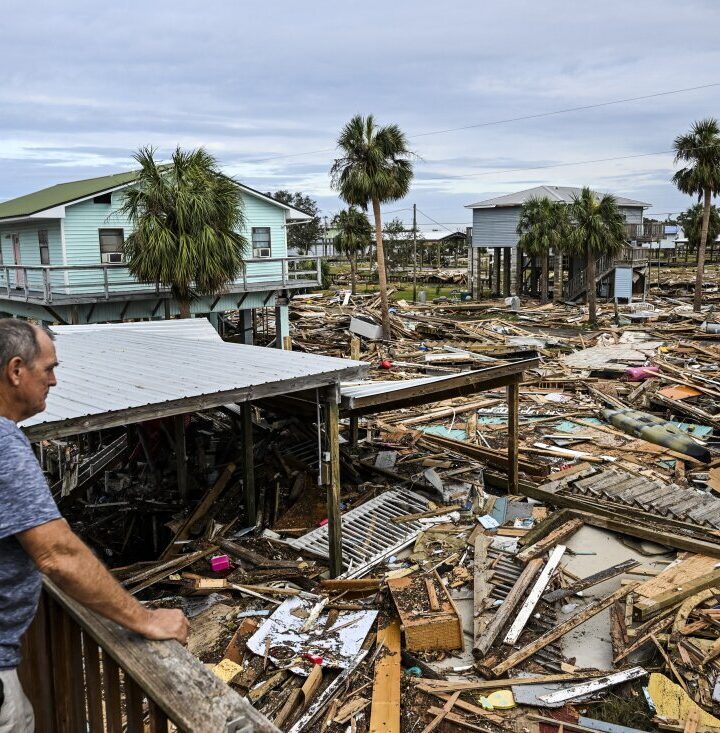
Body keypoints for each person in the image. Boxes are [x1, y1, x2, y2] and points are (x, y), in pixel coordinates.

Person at [0, 319, 189, 732]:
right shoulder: (3, 444)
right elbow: (56, 554)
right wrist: (145, 619)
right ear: (16, 371)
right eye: (48, 368)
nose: (54, 380)